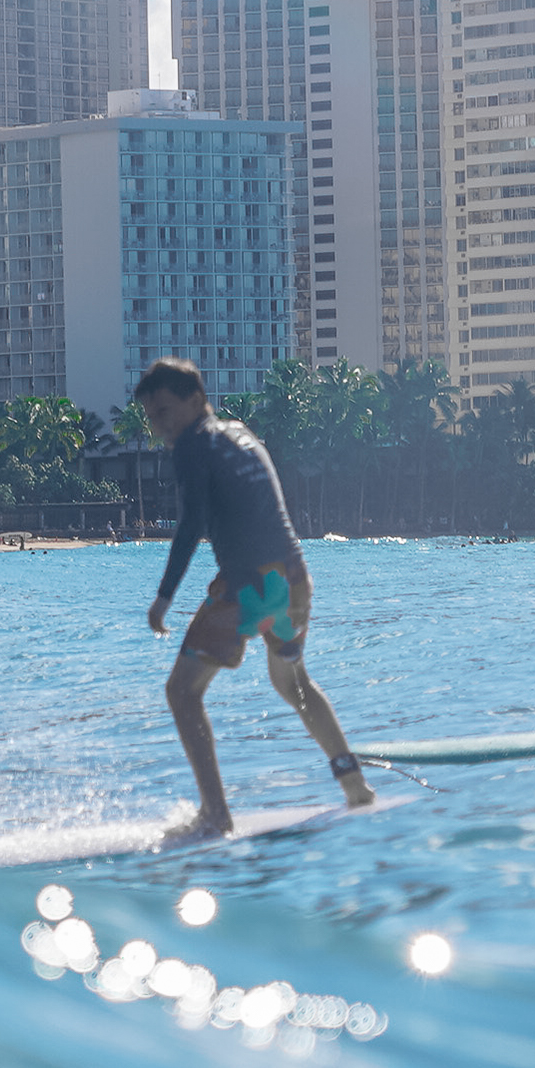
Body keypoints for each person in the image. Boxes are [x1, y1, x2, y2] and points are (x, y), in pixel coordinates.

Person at [136, 356, 378, 837]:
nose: (157, 425)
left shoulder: (193, 444)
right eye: (150, 416)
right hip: (292, 583)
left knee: (182, 693)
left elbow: (191, 525)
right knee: (294, 684)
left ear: (195, 400)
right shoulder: (241, 435)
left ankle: (216, 815)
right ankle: (356, 788)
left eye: (163, 412)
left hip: (247, 588)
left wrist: (164, 597)